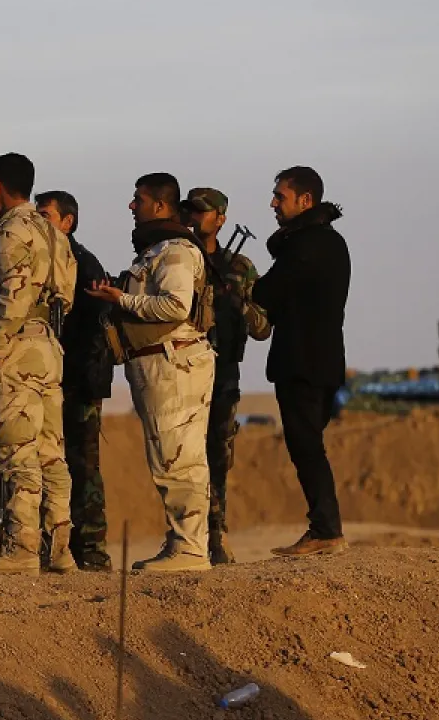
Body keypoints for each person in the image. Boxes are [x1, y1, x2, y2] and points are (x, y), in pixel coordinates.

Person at [90, 173, 215, 573]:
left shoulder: (176, 251)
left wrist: (122, 299)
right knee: (171, 457)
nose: (132, 206)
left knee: (178, 458)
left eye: (138, 199)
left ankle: (191, 548)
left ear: (160, 206)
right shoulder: (157, 250)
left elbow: (175, 307)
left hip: (172, 362)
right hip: (157, 363)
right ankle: (185, 542)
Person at [0, 154, 77, 575]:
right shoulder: (53, 232)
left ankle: (21, 548)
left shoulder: (13, 230)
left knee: (17, 447)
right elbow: (67, 295)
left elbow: (15, 293)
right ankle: (60, 548)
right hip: (49, 344)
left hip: (19, 344)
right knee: (52, 451)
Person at [251, 165, 352, 558]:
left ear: (305, 200)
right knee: (309, 443)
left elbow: (268, 292)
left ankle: (326, 529)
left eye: (281, 196)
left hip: (303, 363)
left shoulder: (308, 244)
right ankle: (324, 527)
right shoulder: (327, 241)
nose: (274, 204)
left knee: (306, 444)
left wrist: (246, 285)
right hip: (322, 361)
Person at [184, 187, 271, 566]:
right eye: (191, 210)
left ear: (220, 219)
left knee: (218, 455)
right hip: (182, 373)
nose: (194, 217)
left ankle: (216, 534)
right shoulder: (176, 258)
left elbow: (264, 327)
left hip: (223, 373)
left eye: (203, 212)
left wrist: (238, 307)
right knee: (181, 455)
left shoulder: (240, 268)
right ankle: (185, 536)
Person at [35, 189, 117, 572]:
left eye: (46, 215)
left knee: (82, 466)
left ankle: (92, 550)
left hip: (79, 380)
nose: (38, 221)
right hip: (53, 380)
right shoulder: (44, 261)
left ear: (67, 222)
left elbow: (94, 327)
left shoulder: (83, 264)